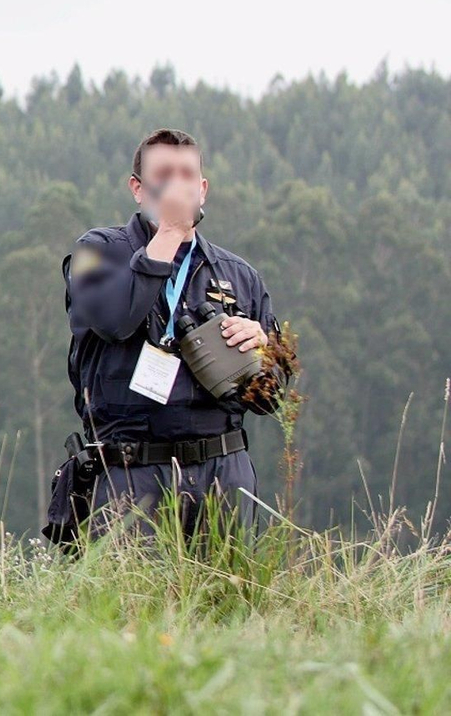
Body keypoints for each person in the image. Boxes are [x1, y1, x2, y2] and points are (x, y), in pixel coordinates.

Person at [49, 128, 280, 544]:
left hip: (223, 471)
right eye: (165, 174)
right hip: (131, 471)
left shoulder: (238, 275)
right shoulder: (97, 252)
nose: (177, 185)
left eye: (187, 175)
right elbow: (113, 320)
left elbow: (272, 399)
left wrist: (262, 352)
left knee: (228, 605)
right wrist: (169, 234)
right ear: (137, 188)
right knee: (131, 606)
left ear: (203, 189)